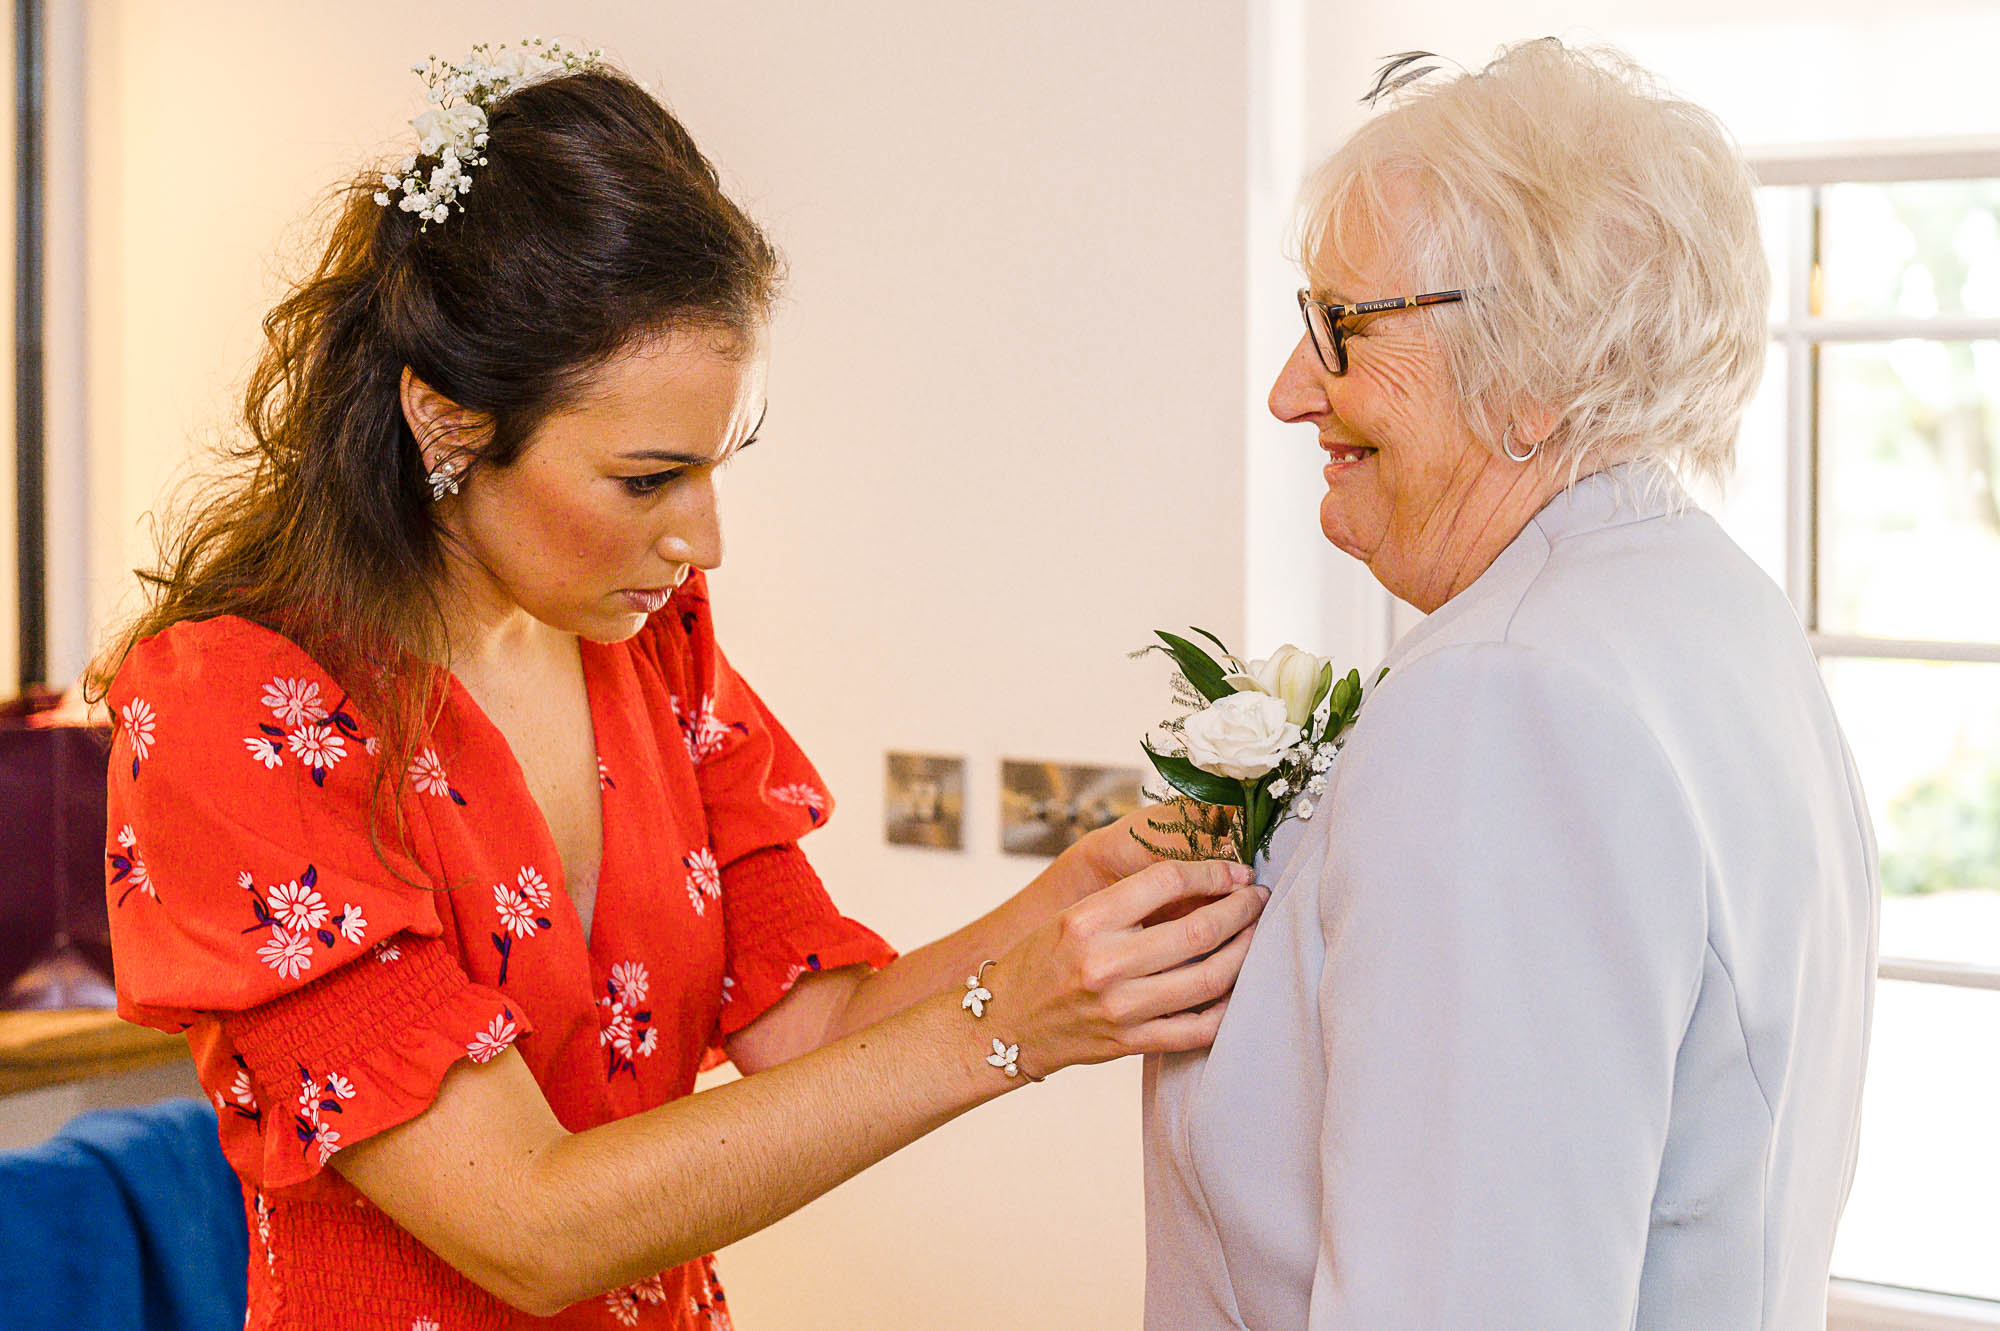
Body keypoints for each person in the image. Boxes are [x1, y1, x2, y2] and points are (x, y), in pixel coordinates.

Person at [91, 45, 1266, 1331]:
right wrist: (1009, 1025)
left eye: (717, 466)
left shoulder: (650, 643)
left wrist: (1066, 901)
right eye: (646, 480)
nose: (703, 540)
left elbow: (817, 1034)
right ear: (446, 425)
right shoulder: (239, 710)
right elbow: (530, 1225)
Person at [1141, 39, 1878, 1330]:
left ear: (1534, 370)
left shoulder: (1505, 695)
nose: (1289, 390)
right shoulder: (1706, 607)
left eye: (1339, 327)